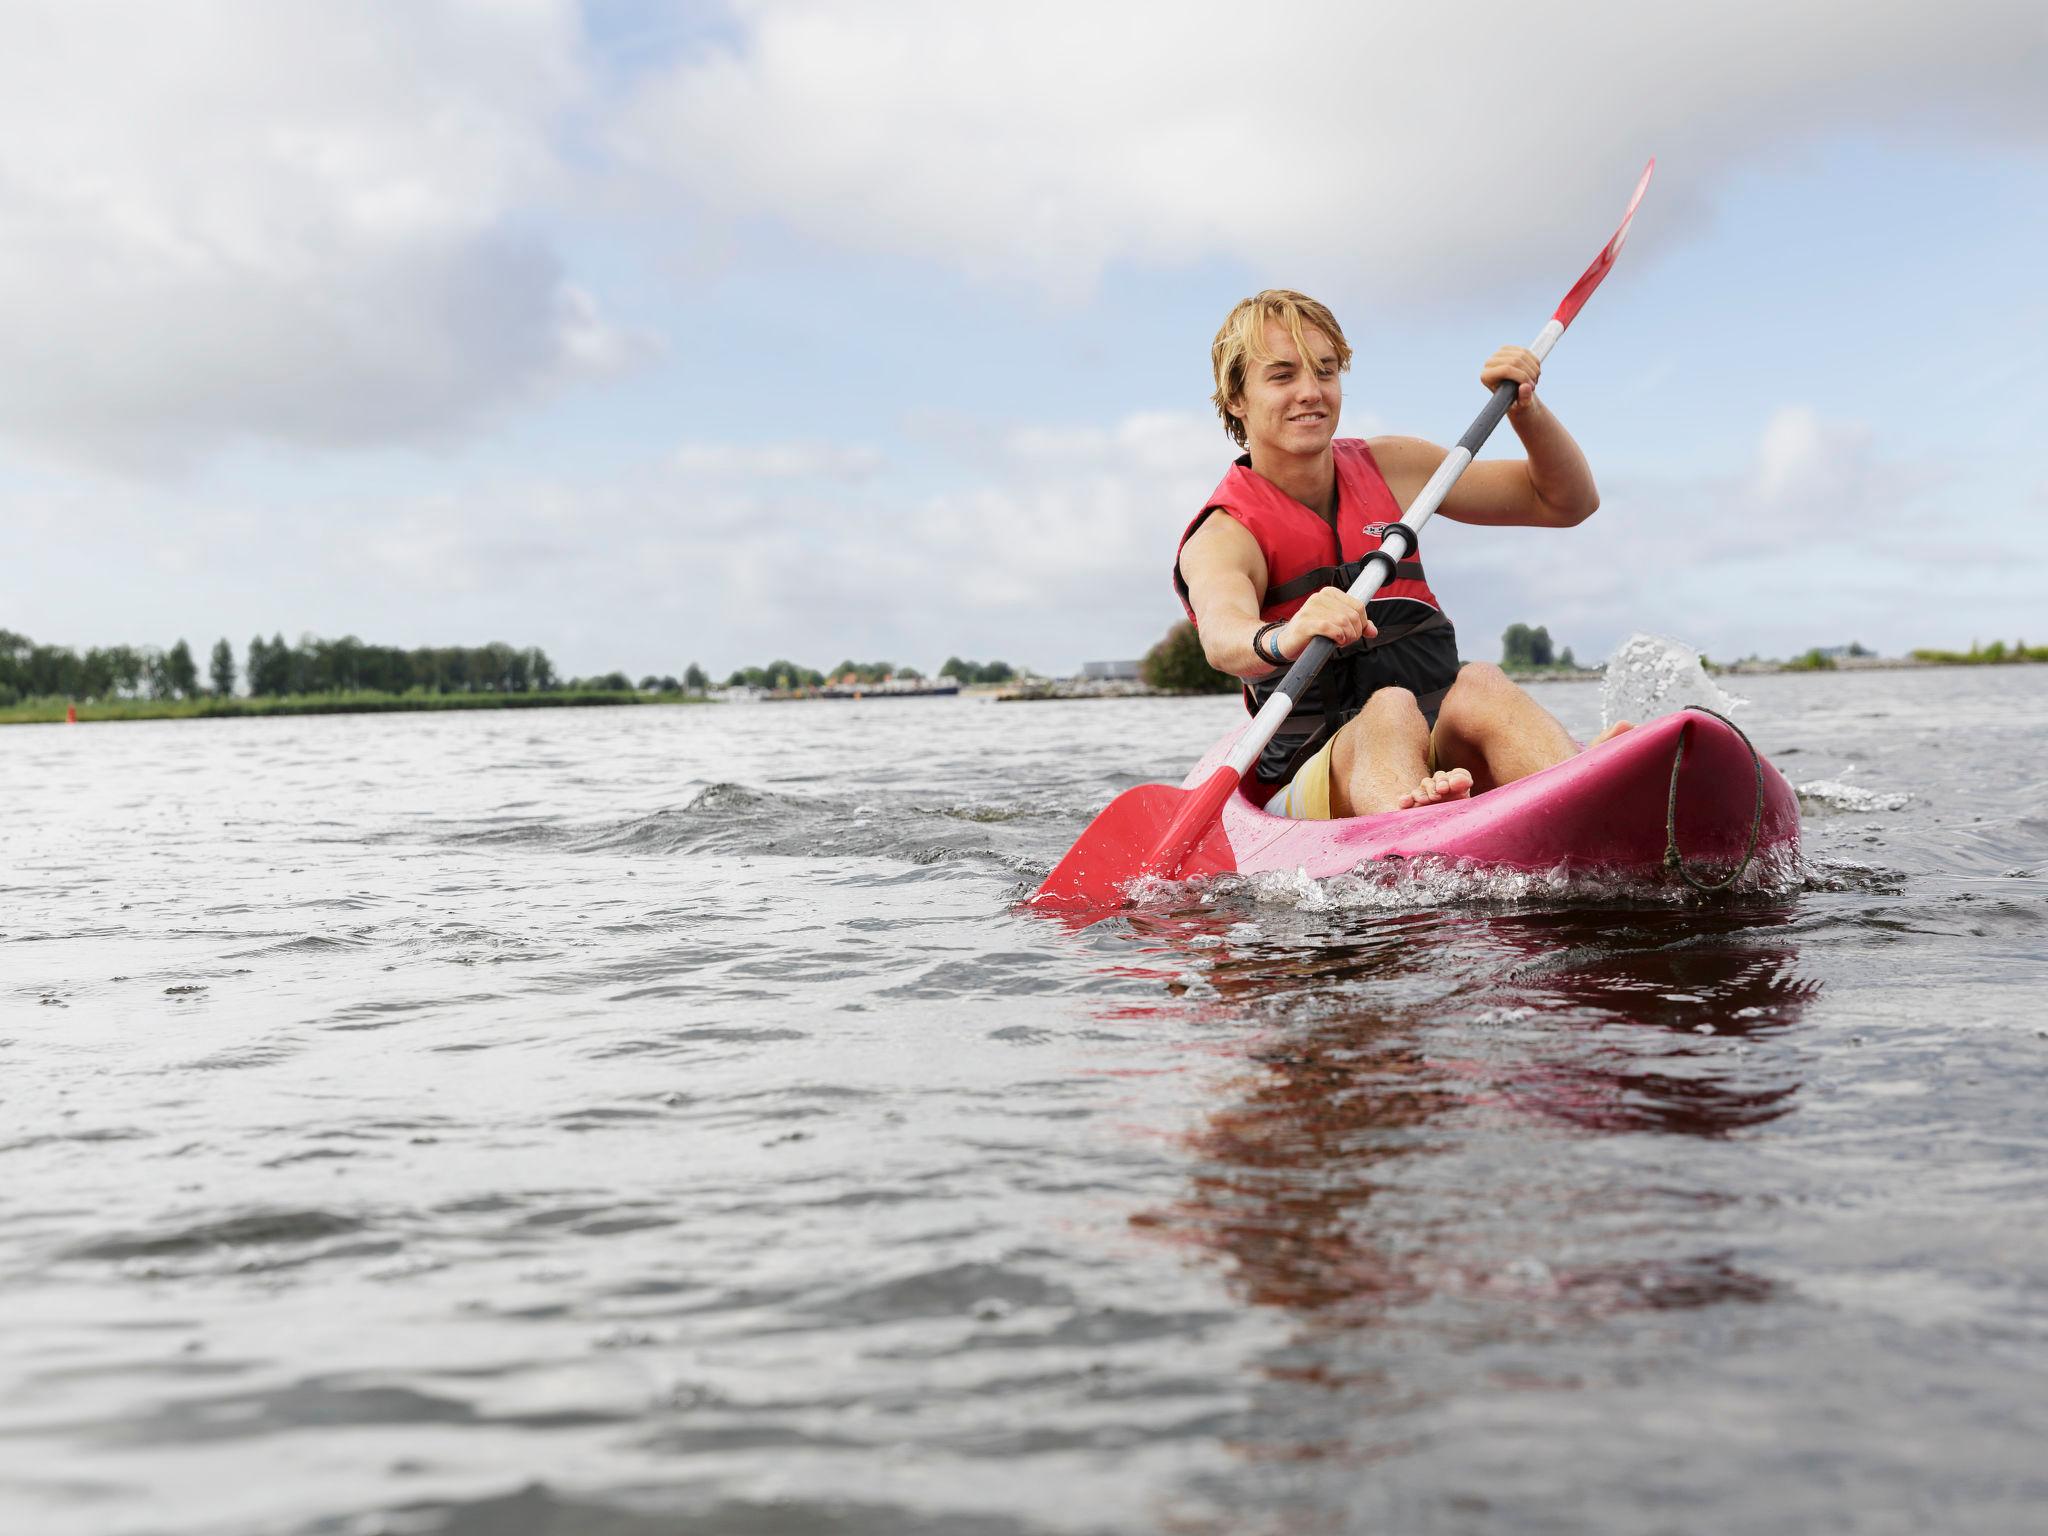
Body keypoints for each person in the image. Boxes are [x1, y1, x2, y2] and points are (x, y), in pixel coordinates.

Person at [1173, 289, 1631, 819]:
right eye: (1282, 376)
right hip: (1314, 772)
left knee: (1481, 681)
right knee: (1390, 708)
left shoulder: (1393, 466)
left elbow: (1566, 502)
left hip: (1439, 746)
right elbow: (1223, 638)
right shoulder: (1225, 532)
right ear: (1236, 398)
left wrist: (1527, 411)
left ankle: (1585, 792)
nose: (1311, 392)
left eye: (1325, 371)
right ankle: (1418, 840)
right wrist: (1288, 633)